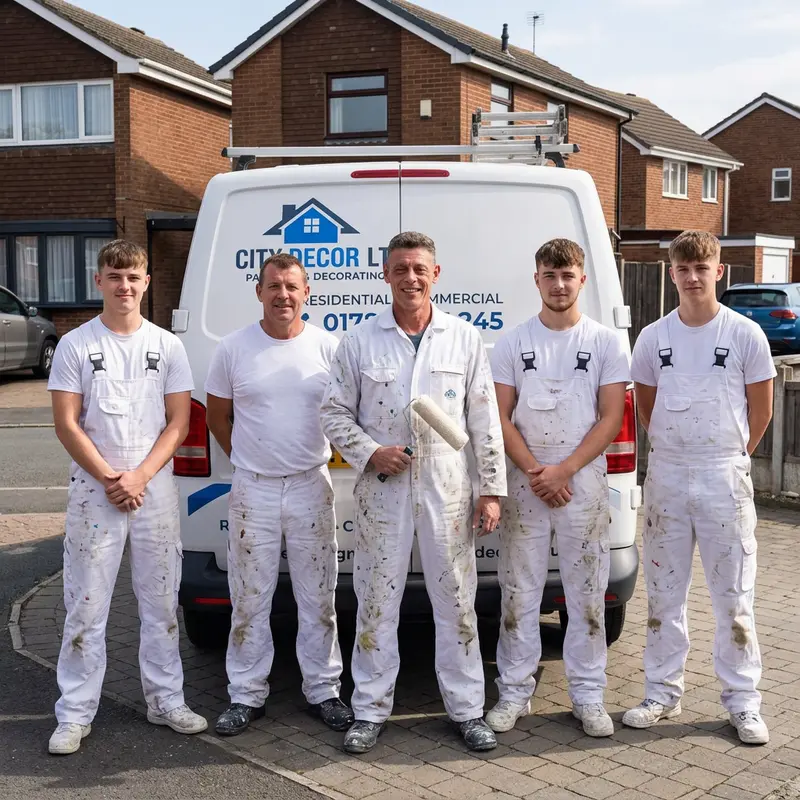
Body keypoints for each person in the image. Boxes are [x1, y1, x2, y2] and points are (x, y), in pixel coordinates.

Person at [320, 231, 507, 754]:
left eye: (419, 268)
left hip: (448, 488)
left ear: (436, 274)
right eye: (400, 269)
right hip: (384, 487)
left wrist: (490, 490)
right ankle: (370, 710)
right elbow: (333, 412)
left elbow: (484, 419)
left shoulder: (463, 338)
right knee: (377, 600)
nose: (410, 278)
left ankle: (468, 709)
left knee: (457, 601)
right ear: (386, 275)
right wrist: (370, 451)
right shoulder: (360, 341)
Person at [47, 240, 207, 755]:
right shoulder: (75, 345)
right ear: (99, 281)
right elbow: (67, 424)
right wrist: (113, 478)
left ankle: (166, 701)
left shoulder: (168, 346)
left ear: (146, 283)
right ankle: (74, 713)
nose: (124, 286)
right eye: (114, 276)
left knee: (160, 602)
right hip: (96, 493)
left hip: (153, 489)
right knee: (86, 605)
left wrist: (139, 476)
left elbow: (179, 422)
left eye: (133, 276)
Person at [624, 231, 775, 745]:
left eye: (702, 267)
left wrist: (731, 457)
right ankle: (661, 693)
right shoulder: (652, 337)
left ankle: (743, 703)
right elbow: (646, 408)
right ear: (672, 274)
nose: (693, 277)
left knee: (734, 597)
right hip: (667, 475)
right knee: (664, 595)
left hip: (722, 476)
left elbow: (762, 410)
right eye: (683, 269)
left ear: (719, 271)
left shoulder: (746, 334)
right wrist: (676, 452)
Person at [486, 238, 630, 737]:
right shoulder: (512, 342)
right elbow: (498, 417)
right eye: (550, 275)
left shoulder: (606, 343)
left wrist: (565, 469)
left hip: (582, 484)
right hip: (527, 483)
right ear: (537, 280)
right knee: (519, 590)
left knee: (586, 591)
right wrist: (534, 471)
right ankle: (513, 691)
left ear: (582, 279)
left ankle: (589, 696)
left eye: (568, 275)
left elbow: (611, 418)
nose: (559, 284)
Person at [206, 253, 353, 737]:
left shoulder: (327, 348)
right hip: (254, 489)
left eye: (292, 286)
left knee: (319, 596)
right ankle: (246, 694)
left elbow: (344, 414)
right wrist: (249, 458)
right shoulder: (232, 349)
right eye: (274, 286)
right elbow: (217, 418)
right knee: (249, 596)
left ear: (306, 292)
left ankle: (324, 691)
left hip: (312, 484)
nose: (283, 295)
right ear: (259, 292)